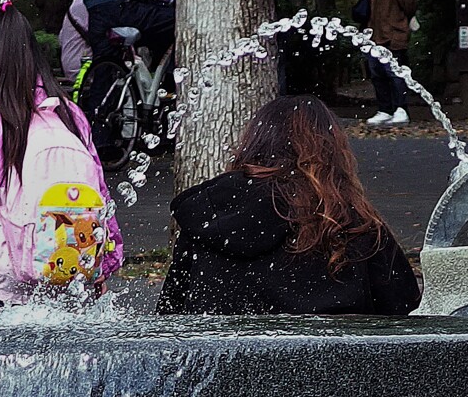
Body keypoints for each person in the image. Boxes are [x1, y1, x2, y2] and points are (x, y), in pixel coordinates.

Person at [0, 0, 124, 306]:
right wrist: (106, 259)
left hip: (10, 267)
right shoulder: (68, 112)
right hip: (73, 259)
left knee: (8, 349)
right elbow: (99, 190)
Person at [156, 95, 420, 316]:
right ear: (332, 151)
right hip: (327, 372)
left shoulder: (210, 214)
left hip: (219, 370)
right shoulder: (349, 222)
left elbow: (170, 318)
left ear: (253, 143)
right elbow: (403, 317)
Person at [356, 0, 417, 127]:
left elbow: (408, 2)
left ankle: (401, 108)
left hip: (392, 32)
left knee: (395, 72)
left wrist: (402, 21)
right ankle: (385, 108)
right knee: (377, 73)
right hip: (373, 34)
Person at [59, 0, 91, 83]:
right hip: (82, 67)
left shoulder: (74, 5)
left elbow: (61, 39)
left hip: (68, 65)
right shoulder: (87, 4)